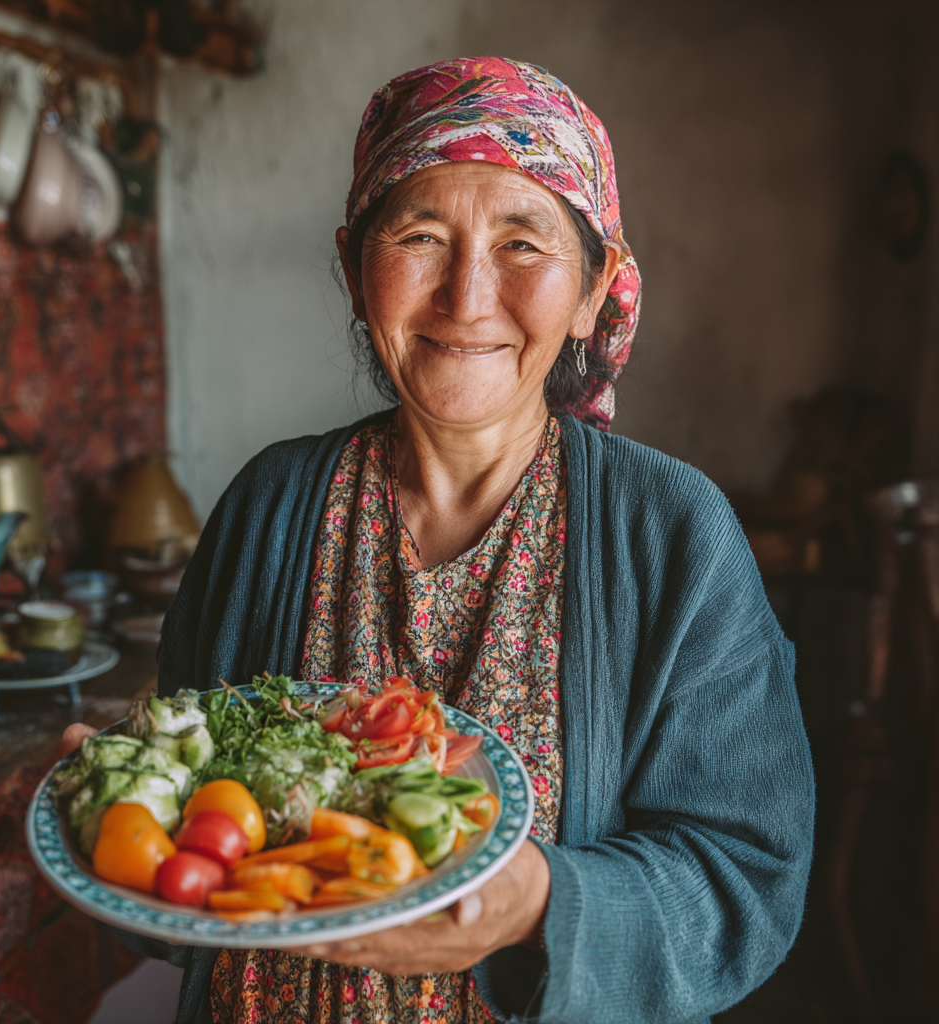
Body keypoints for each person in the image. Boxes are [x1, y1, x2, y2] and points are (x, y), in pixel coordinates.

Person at [63, 56, 813, 1024]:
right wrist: (124, 806)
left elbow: (746, 883)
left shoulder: (670, 529)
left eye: (522, 243)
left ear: (596, 288)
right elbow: (196, 849)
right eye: (419, 235)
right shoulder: (271, 504)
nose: (466, 295)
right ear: (352, 268)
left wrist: (536, 901)